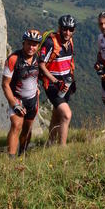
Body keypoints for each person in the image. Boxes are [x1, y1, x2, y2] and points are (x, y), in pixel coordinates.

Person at [2, 29, 42, 158]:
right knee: (16, 125)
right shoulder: (14, 59)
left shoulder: (38, 58)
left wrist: (38, 87)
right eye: (29, 43)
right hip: (17, 98)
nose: (31, 47)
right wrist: (14, 103)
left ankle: (22, 155)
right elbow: (5, 84)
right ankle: (11, 159)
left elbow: (39, 75)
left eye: (34, 44)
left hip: (32, 100)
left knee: (27, 130)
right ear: (23, 43)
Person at [38, 15, 76, 145]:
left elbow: (69, 62)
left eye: (70, 29)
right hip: (52, 85)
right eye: (65, 29)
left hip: (65, 84)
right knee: (66, 115)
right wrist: (55, 81)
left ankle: (50, 144)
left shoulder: (70, 42)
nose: (67, 32)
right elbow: (41, 65)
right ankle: (62, 149)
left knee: (56, 115)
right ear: (59, 28)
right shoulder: (50, 43)